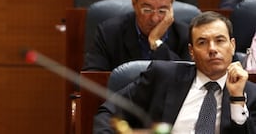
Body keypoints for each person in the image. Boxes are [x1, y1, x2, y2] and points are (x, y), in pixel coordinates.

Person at [93, 11, 256, 133]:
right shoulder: (163, 76)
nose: (212, 49)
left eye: (219, 40)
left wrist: (236, 99)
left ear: (232, 45)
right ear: (191, 51)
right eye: (202, 42)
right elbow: (108, 112)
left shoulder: (251, 94)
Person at [83, 0, 190, 71]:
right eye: (147, 10)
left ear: (171, 6)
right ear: (134, 3)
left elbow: (187, 80)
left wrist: (156, 42)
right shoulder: (109, 33)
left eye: (162, 11)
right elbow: (93, 78)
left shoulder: (185, 35)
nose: (154, 19)